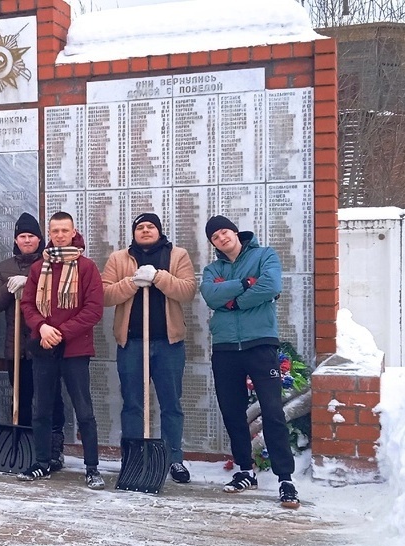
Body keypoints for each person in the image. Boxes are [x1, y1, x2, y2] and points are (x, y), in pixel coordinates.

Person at [199, 215, 300, 509]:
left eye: (224, 231)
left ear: (235, 232)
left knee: (272, 411)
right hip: (225, 347)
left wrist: (233, 300)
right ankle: (245, 470)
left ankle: (285, 479)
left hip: (260, 343)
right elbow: (210, 295)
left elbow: (270, 286)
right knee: (232, 411)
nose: (221, 238)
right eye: (215, 236)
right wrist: (244, 284)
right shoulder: (212, 269)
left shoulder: (264, 254)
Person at [101, 213, 197, 483]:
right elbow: (105, 294)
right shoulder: (119, 259)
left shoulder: (177, 256)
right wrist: (131, 283)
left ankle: (174, 459)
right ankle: (132, 458)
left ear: (159, 230)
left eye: (150, 226)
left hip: (168, 343)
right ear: (133, 233)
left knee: (171, 404)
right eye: (140, 227)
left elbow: (187, 291)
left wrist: (158, 278)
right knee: (132, 404)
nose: (145, 231)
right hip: (131, 343)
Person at [18, 211, 105, 490]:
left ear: (73, 231)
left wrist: (61, 333)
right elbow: (27, 305)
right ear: (50, 234)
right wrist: (42, 328)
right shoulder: (37, 268)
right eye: (54, 231)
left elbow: (93, 310)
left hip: (75, 349)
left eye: (64, 231)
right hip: (44, 347)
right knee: (41, 408)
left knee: (84, 410)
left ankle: (92, 467)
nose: (59, 235)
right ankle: (42, 461)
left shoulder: (86, 267)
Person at [0, 212, 68, 471]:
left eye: (32, 236)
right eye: (22, 236)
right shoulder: (5, 267)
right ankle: (26, 447)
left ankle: (54, 448)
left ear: (40, 239)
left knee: (51, 398)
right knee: (21, 396)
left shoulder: (49, 263)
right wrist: (9, 289)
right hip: (16, 347)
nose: (27, 240)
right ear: (16, 240)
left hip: (43, 343)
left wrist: (31, 283)